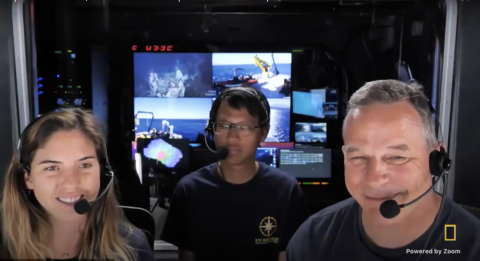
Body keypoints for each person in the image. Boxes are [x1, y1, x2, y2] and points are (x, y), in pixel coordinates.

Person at [287, 80, 480, 261]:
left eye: (397, 157)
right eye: (359, 157)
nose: (374, 179)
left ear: (436, 161)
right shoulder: (312, 241)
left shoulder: (472, 246)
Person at [161, 87, 309, 261]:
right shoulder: (189, 190)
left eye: (244, 127)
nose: (232, 137)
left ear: (263, 133)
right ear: (211, 130)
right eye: (223, 125)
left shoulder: (286, 191)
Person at [0, 108, 154, 261]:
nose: (71, 183)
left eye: (85, 165)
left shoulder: (132, 246)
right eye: (52, 168)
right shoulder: (5, 246)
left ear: (103, 173)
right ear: (28, 178)